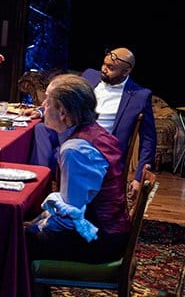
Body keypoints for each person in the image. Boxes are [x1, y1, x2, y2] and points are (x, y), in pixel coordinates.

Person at [25, 74, 131, 265]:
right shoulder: (96, 132)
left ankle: (21, 294)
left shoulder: (75, 150)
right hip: (108, 230)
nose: (43, 105)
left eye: (48, 101)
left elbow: (70, 218)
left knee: (12, 240)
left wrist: (35, 227)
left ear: (63, 112)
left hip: (99, 239)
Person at [27, 47, 156, 197]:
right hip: (72, 132)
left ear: (126, 71)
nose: (104, 69)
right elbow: (63, 99)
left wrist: (139, 177)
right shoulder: (90, 76)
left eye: (110, 68)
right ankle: (39, 186)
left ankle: (49, 188)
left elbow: (148, 139)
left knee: (66, 151)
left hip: (99, 149)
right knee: (41, 129)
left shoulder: (140, 96)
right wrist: (41, 111)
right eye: (104, 64)